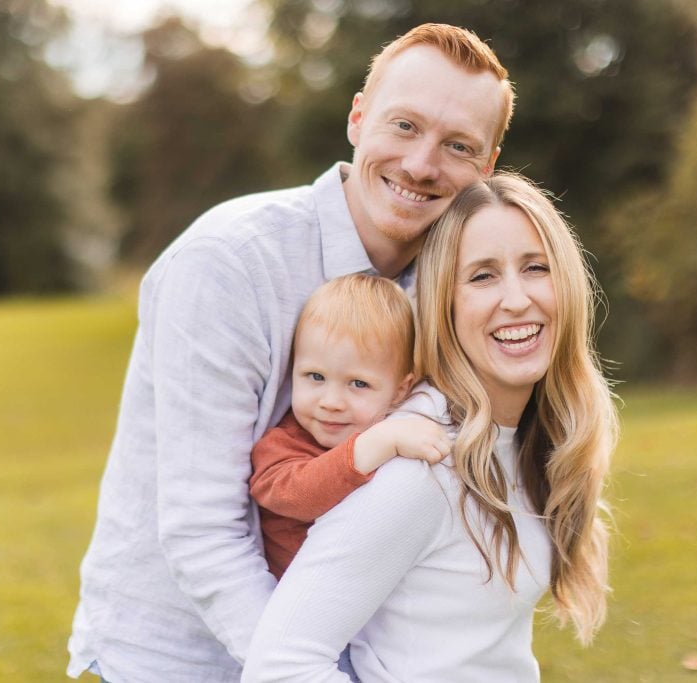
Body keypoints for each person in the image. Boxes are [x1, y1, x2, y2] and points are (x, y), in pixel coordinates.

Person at [67, 23, 514, 683]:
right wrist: (303, 667)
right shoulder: (228, 262)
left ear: (487, 167)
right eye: (405, 126)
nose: (422, 165)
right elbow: (202, 530)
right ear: (358, 118)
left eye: (457, 145)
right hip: (181, 657)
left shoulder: (455, 292)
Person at [242, 172, 619, 682]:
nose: (515, 299)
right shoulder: (422, 463)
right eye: (483, 276)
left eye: (535, 268)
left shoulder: (524, 438)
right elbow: (279, 666)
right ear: (444, 301)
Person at [249, 273, 452, 581]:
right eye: (315, 376)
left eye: (358, 383)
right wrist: (377, 443)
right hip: (304, 609)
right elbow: (297, 495)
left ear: (399, 391)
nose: (331, 401)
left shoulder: (402, 425)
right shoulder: (282, 445)